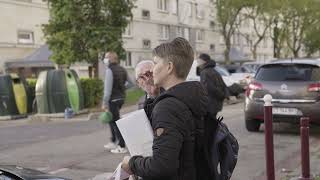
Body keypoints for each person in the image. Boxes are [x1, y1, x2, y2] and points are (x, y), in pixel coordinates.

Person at [121, 37, 209, 180]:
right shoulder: (189, 97)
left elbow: (162, 166)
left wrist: (131, 163)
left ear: (169, 67)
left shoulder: (168, 107)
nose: (152, 69)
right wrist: (153, 93)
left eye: (155, 63)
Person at [102, 51, 128, 154]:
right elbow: (130, 84)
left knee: (115, 122)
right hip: (120, 98)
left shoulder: (109, 70)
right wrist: (121, 87)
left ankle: (121, 146)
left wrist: (104, 102)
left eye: (106, 57)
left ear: (111, 59)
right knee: (111, 120)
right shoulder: (122, 69)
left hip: (112, 99)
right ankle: (113, 141)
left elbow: (107, 91)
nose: (105, 59)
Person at [196, 53, 228, 118]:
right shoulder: (214, 71)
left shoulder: (204, 72)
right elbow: (223, 86)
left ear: (204, 61)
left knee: (208, 125)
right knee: (212, 124)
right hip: (216, 104)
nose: (197, 63)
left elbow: (207, 88)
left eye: (199, 61)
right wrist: (223, 96)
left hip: (209, 105)